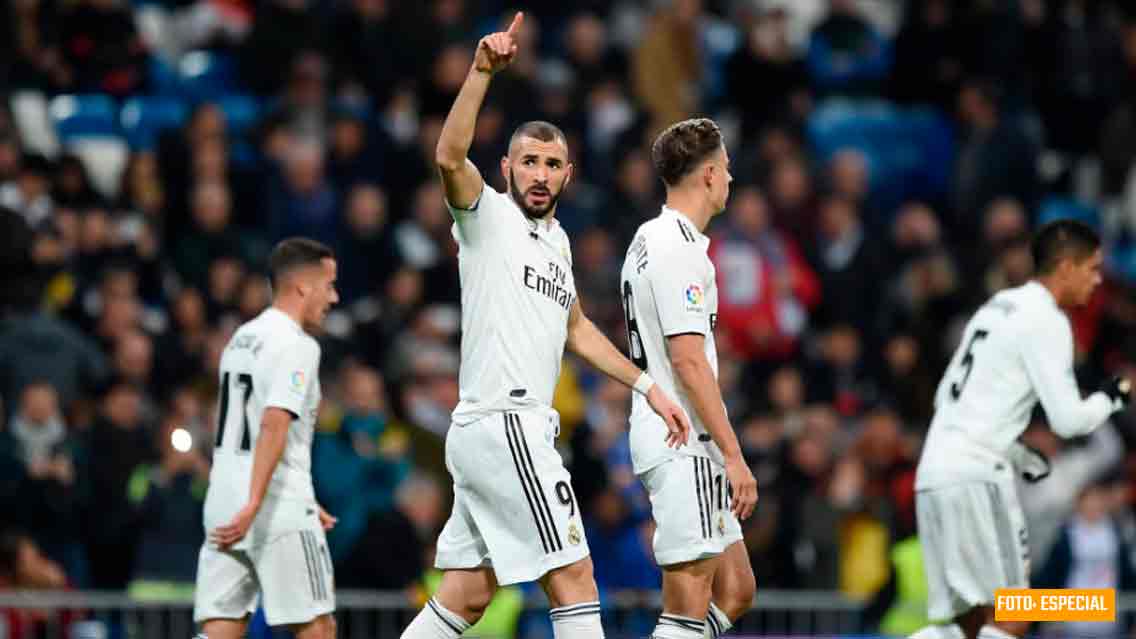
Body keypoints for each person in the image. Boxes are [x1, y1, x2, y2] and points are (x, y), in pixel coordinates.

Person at [399, 13, 691, 639]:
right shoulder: (487, 219)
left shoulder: (556, 245)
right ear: (506, 168)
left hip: (492, 432)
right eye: (527, 161)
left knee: (468, 596)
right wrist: (480, 73)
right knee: (576, 578)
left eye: (551, 163)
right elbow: (449, 154)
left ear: (567, 175)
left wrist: (647, 387)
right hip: (507, 424)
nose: (538, 173)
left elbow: (578, 330)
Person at [908, 219, 1132, 639]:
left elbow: (948, 398)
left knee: (973, 622)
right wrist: (1114, 395)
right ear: (1066, 266)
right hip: (978, 476)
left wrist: (1014, 451)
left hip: (936, 471)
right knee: (1014, 613)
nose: (1098, 280)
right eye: (1093, 268)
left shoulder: (995, 308)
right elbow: (1067, 420)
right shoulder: (1047, 319)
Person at [618, 118, 758, 639]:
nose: (731, 178)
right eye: (727, 168)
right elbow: (688, 362)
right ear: (709, 175)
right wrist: (732, 452)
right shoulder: (676, 250)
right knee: (686, 608)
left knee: (737, 589)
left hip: (680, 439)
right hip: (683, 439)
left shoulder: (650, 238)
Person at [193, 237, 341, 639]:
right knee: (318, 628)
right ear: (303, 287)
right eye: (329, 286)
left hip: (224, 501)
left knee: (223, 626)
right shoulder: (299, 345)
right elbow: (274, 421)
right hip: (273, 507)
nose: (334, 297)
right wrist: (259, 500)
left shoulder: (241, 338)